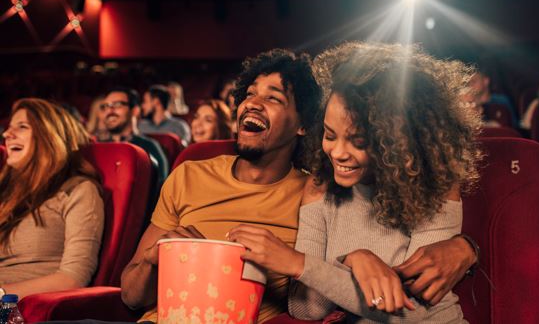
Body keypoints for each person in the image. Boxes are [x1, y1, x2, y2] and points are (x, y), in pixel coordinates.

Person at [228, 42, 482, 322]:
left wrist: (300, 262)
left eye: (358, 141)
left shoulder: (437, 185)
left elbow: (414, 313)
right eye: (329, 134)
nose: (337, 153)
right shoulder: (319, 187)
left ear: (397, 142)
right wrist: (350, 259)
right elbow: (308, 309)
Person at [120, 49, 321, 323]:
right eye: (249, 94)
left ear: (303, 125)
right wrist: (153, 259)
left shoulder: (311, 195)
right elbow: (131, 297)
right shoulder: (188, 175)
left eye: (273, 97)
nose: (253, 104)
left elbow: (312, 305)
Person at [0, 98, 104, 299]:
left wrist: (2, 295)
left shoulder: (79, 190)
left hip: (17, 309)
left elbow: (73, 278)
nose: (7, 134)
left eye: (22, 127)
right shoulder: (7, 191)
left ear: (49, 136)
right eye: (8, 128)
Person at [99, 87, 169, 185]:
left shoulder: (149, 147)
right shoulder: (98, 147)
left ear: (135, 110)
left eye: (117, 105)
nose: (109, 111)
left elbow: (161, 187)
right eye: (105, 106)